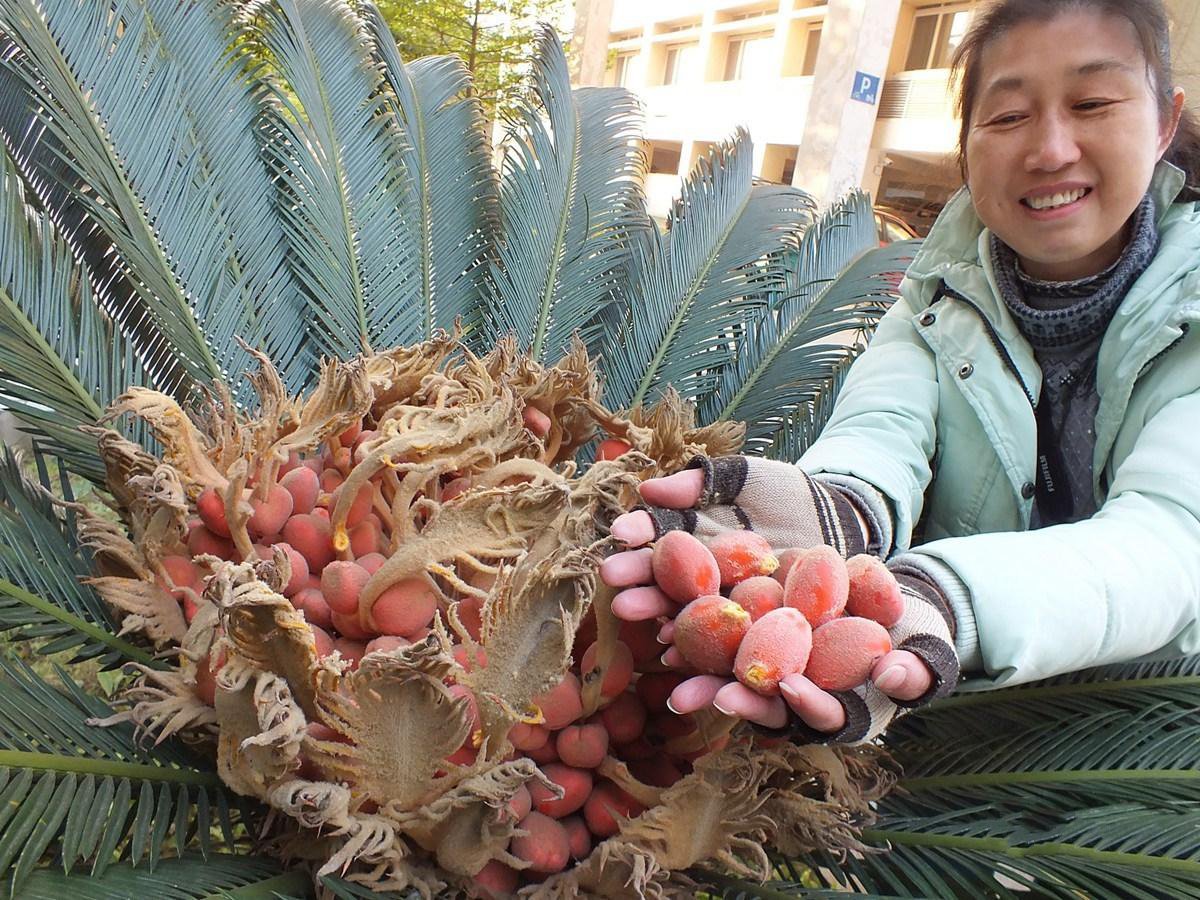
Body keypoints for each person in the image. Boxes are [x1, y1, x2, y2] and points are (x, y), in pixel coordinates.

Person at [600, 0, 1200, 744]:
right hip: (941, 731)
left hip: (1146, 754)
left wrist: (946, 600)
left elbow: (1173, 541)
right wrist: (835, 512)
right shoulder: (934, 297)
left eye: (1092, 104)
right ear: (967, 141)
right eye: (1008, 116)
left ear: (1165, 121)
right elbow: (881, 430)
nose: (1050, 150)